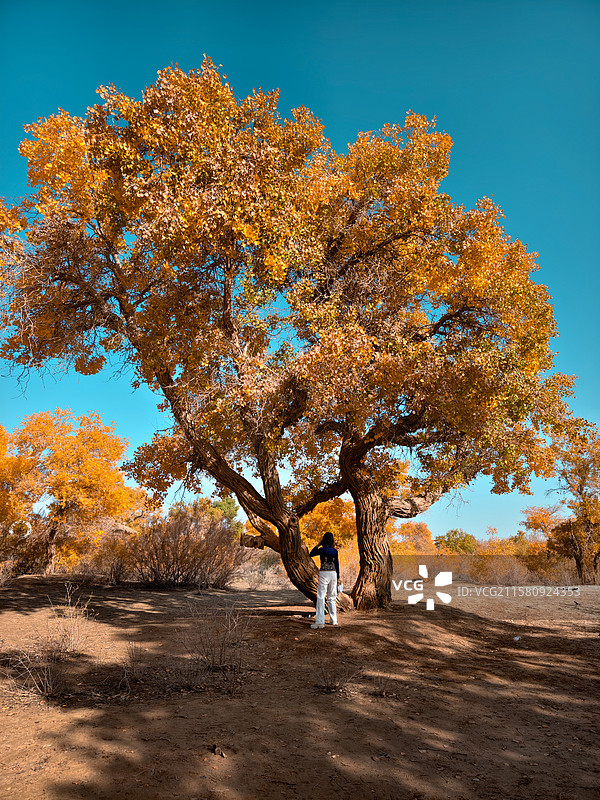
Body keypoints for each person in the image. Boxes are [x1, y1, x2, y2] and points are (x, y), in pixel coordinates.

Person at [309, 532, 341, 628]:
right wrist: (338, 577)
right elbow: (337, 565)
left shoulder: (322, 550)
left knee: (321, 597)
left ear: (324, 540)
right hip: (333, 574)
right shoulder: (335, 551)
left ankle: (320, 622)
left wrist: (318, 544)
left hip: (324, 573)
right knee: (332, 597)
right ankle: (334, 620)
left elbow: (311, 553)